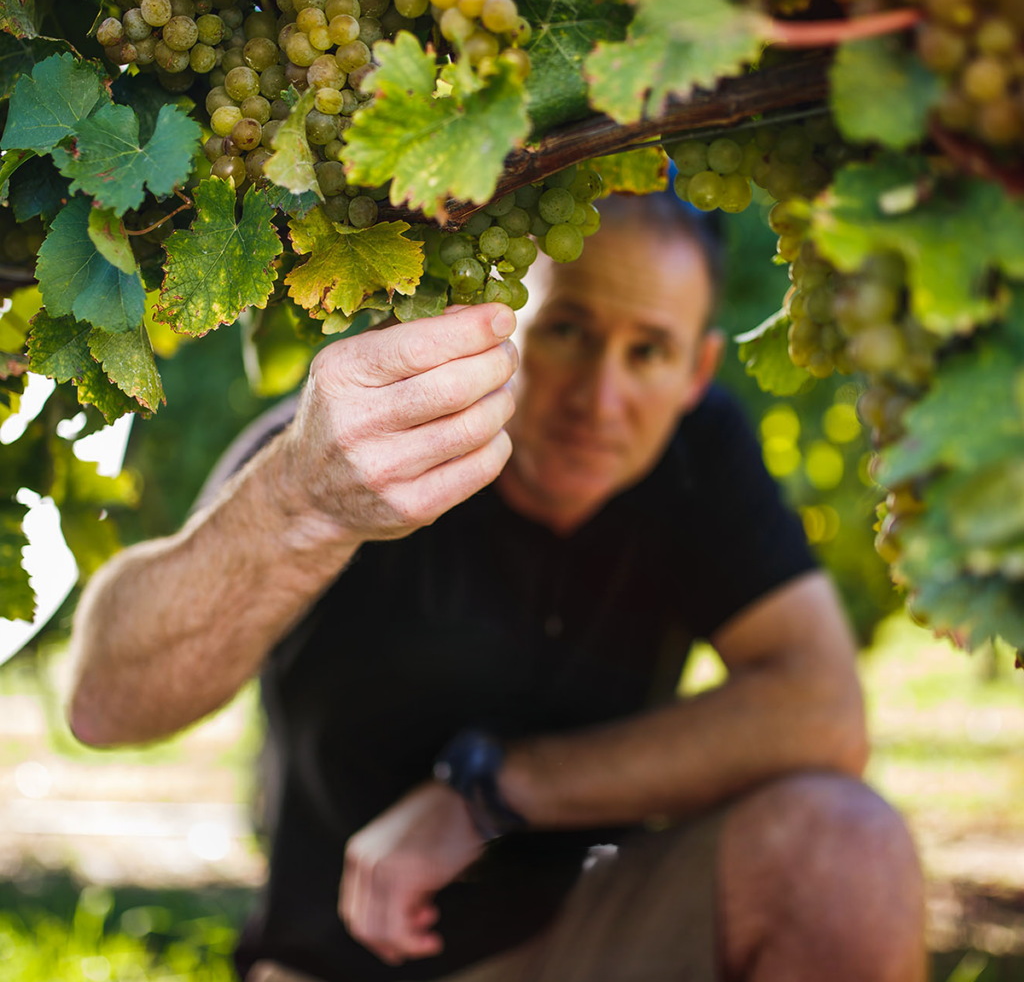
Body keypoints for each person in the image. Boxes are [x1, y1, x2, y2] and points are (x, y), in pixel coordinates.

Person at [66, 193, 926, 982]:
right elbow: (108, 702)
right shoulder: (364, 444)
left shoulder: (701, 453)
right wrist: (297, 502)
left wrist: (486, 794)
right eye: (569, 331)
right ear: (497, 328)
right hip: (336, 962)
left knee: (845, 850)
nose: (601, 397)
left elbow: (822, 713)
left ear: (697, 373)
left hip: (581, 943)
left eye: (649, 351)